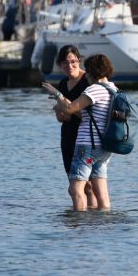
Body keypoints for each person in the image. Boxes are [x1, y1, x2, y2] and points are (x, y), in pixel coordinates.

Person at [54, 53, 118, 211]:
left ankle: (80, 223)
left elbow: (70, 109)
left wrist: (57, 96)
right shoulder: (113, 88)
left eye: (87, 70)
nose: (86, 74)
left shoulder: (94, 89)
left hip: (87, 148)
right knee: (101, 191)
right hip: (103, 149)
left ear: (92, 72)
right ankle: (103, 222)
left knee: (75, 189)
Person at [43, 44, 87, 180]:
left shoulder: (87, 81)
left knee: (87, 184)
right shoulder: (63, 83)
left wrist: (59, 97)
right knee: (72, 179)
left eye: (73, 61)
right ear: (60, 65)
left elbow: (84, 115)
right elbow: (63, 118)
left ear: (79, 60)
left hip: (86, 137)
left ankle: (92, 203)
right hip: (68, 136)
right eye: (65, 63)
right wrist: (60, 112)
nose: (69, 66)